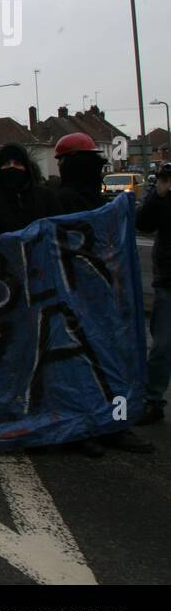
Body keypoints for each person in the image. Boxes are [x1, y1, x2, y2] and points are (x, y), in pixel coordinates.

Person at [136, 163, 171, 426]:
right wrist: (158, 195)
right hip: (168, 280)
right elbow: (143, 223)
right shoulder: (162, 199)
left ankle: (153, 398)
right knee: (162, 345)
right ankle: (153, 400)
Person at [0, 144, 61, 239]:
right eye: (6, 163)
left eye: (17, 163)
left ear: (26, 167)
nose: (12, 167)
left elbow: (58, 231)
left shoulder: (46, 197)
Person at [55, 133, 106, 214]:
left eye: (60, 159)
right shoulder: (100, 199)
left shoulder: (62, 200)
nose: (58, 164)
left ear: (69, 164)